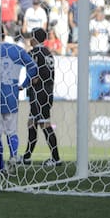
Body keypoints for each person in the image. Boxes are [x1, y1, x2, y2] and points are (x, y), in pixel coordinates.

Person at [0, 26, 37, 172]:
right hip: (11, 96)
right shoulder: (16, 50)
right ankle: (14, 157)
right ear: (5, 34)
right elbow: (33, 67)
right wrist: (24, 84)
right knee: (11, 131)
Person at [24, 27, 62, 166]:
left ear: (34, 38)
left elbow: (35, 74)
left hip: (39, 92)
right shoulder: (48, 52)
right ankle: (27, 156)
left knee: (44, 124)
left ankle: (56, 158)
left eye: (31, 36)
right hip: (47, 91)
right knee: (32, 123)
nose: (29, 39)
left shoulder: (35, 52)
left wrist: (32, 80)